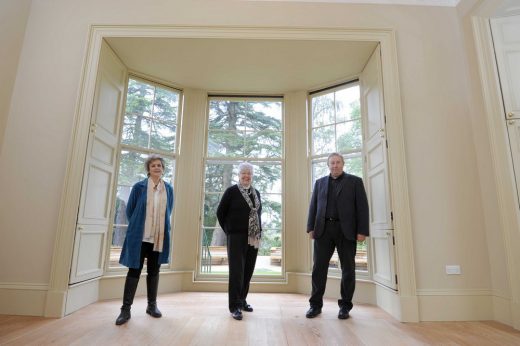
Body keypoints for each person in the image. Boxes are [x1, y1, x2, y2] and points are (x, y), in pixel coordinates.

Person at [306, 152, 369, 320]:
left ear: (343, 164)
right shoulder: (319, 183)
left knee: (348, 269)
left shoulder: (355, 182)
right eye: (332, 163)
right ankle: (315, 305)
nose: (335, 165)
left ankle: (345, 307)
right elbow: (313, 206)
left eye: (338, 162)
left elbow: (362, 208)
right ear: (328, 165)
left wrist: (362, 231)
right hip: (323, 230)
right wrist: (310, 227)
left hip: (346, 230)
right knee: (318, 269)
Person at [115, 154, 174, 325]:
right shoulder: (139, 187)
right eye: (153, 165)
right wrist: (140, 225)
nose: (157, 168)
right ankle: (125, 310)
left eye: (159, 165)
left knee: (154, 271)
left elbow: (168, 211)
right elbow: (131, 211)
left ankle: (152, 306)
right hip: (140, 237)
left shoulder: (168, 188)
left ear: (163, 169)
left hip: (158, 238)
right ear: (148, 169)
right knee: (134, 271)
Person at [216, 162, 262, 321]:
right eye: (243, 173)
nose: (246, 176)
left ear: (252, 176)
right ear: (239, 175)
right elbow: (220, 212)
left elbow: (258, 214)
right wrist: (229, 231)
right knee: (236, 272)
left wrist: (258, 232)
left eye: (249, 173)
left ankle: (242, 301)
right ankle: (234, 306)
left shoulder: (256, 193)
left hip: (253, 237)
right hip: (235, 237)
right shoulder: (231, 192)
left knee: (248, 270)